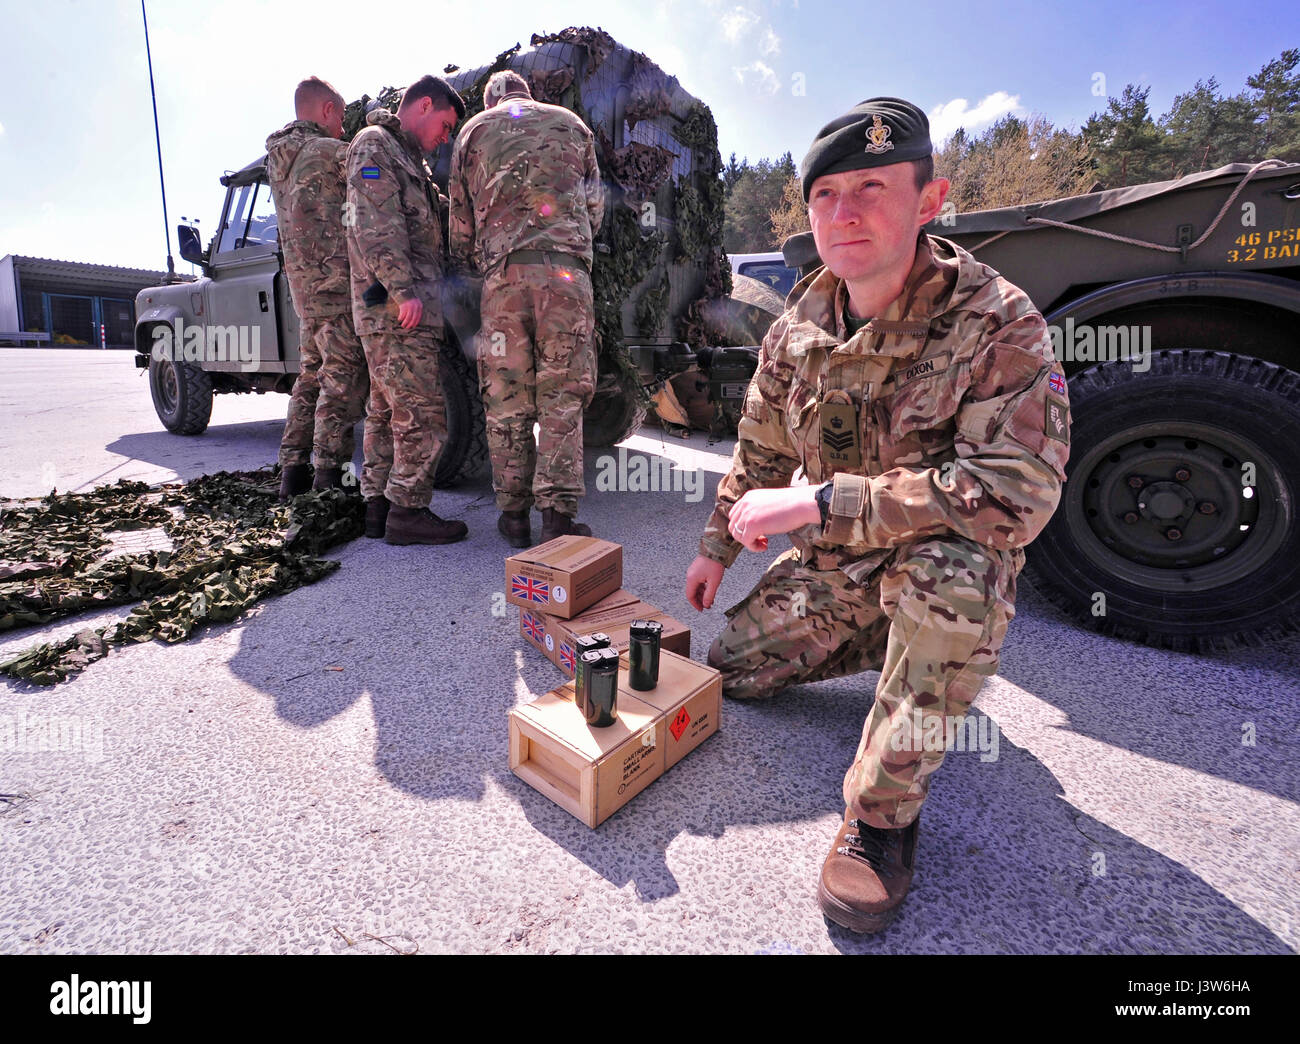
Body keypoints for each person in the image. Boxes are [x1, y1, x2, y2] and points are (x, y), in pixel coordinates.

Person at [682, 98, 1071, 933]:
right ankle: (900, 656)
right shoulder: (799, 329)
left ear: (929, 202)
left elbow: (1019, 494)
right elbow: (757, 447)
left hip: (939, 558)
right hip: (844, 564)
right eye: (825, 194)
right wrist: (716, 547)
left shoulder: (998, 321)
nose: (844, 211)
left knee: (954, 586)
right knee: (736, 667)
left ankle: (882, 818)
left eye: (871, 186)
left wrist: (824, 502)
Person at [448, 69, 604, 548]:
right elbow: (595, 208)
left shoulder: (473, 131)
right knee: (562, 397)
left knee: (506, 399)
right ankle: (557, 518)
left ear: (492, 98)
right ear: (528, 95)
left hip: (503, 281)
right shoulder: (573, 125)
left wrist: (477, 262)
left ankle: (513, 517)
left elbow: (460, 221)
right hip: (566, 278)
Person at [345, 75, 468, 545]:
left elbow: (427, 219)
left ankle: (376, 508)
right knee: (422, 413)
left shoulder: (408, 161)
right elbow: (374, 225)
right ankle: (408, 512)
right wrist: (403, 291)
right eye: (445, 123)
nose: (446, 135)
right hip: (396, 309)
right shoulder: (374, 146)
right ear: (423, 105)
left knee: (383, 410)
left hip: (395, 308)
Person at [266, 76, 369, 502]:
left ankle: (292, 471)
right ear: (326, 109)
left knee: (309, 377)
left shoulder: (277, 160)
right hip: (337, 287)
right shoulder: (331, 153)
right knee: (340, 381)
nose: (344, 128)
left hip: (304, 293)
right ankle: (332, 478)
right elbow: (376, 177)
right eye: (342, 117)